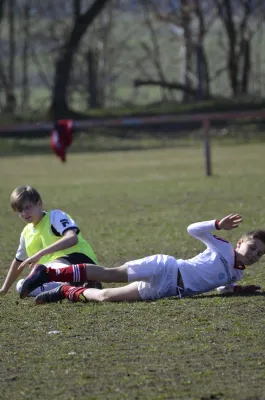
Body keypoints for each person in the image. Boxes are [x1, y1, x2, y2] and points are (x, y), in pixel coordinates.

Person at [19, 213, 265, 304]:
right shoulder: (222, 246)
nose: (254, 255)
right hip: (166, 268)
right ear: (240, 242)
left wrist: (239, 288)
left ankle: (65, 291)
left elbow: (223, 287)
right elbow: (193, 229)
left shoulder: (238, 272)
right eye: (253, 247)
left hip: (166, 291)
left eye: (260, 254)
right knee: (110, 274)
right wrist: (217, 224)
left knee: (106, 296)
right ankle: (49, 273)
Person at [0, 185, 102, 298]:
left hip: (79, 261)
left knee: (44, 272)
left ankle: (79, 282)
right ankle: (74, 288)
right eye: (20, 210)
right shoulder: (26, 233)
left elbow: (72, 238)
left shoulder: (54, 216)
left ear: (39, 203)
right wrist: (4, 289)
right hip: (52, 272)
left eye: (27, 207)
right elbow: (18, 262)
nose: (24, 213)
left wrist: (41, 253)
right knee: (21, 286)